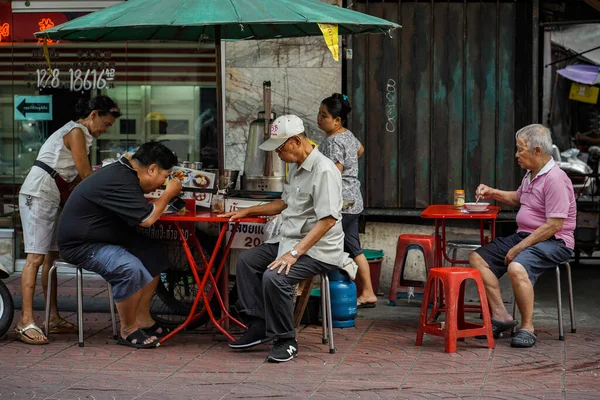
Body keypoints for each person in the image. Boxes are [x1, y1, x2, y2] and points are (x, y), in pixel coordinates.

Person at [220, 115, 346, 363]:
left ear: (296, 141)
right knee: (247, 262)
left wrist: (294, 253)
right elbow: (284, 203)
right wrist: (248, 211)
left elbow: (328, 220)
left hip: (318, 249)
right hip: (289, 239)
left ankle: (286, 339)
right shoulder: (296, 168)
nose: (277, 153)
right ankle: (258, 323)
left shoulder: (324, 170)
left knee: (275, 277)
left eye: (280, 147)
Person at [16, 95, 121, 345]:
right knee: (35, 257)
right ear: (93, 114)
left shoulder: (80, 135)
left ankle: (52, 317)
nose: (105, 130)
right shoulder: (75, 131)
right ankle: (25, 320)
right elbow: (85, 174)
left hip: (51, 195)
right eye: (105, 124)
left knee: (50, 256)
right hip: (38, 193)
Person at [57, 142, 182, 348]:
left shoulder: (125, 172)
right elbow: (147, 219)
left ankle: (143, 319)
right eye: (164, 176)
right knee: (129, 267)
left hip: (106, 237)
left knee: (154, 255)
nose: (164, 182)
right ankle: (128, 330)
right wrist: (168, 193)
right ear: (151, 169)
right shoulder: (120, 179)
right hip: (82, 244)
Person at [469, 124, 576, 348]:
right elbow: (519, 198)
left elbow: (554, 225)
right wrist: (492, 192)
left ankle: (527, 327)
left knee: (517, 267)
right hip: (527, 236)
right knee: (478, 259)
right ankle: (501, 316)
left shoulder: (555, 179)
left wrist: (518, 248)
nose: (517, 155)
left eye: (521, 149)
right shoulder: (532, 174)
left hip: (554, 241)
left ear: (537, 151)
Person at [317, 93, 377, 308]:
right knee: (353, 247)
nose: (319, 118)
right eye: (320, 114)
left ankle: (367, 292)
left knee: (351, 247)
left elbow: (334, 172)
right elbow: (360, 150)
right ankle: (366, 291)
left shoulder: (333, 142)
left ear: (337, 120)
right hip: (354, 199)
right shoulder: (348, 135)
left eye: (324, 116)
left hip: (342, 202)